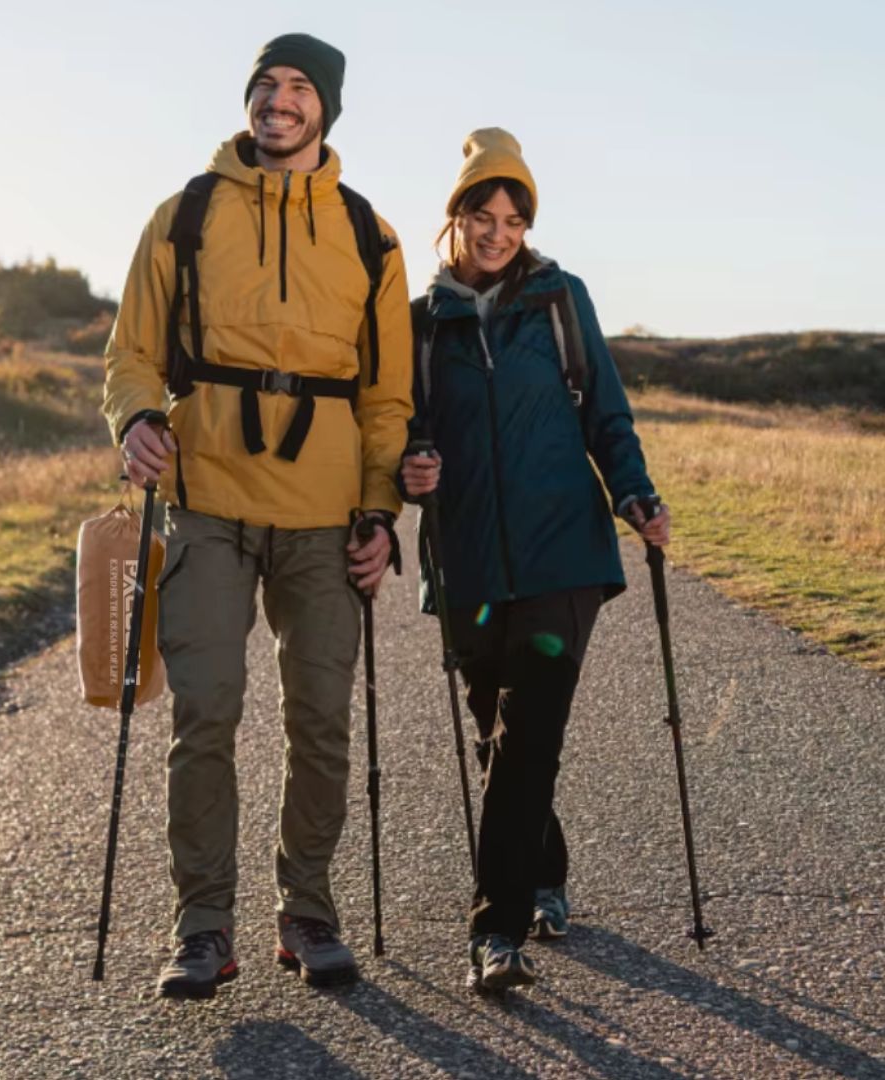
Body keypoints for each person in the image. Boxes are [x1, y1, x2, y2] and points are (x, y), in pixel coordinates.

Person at [103, 33, 412, 1000]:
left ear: (326, 110)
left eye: (299, 88)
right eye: (266, 85)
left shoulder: (371, 235)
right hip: (205, 502)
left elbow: (387, 397)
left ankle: (309, 913)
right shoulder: (183, 216)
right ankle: (202, 928)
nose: (279, 101)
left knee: (319, 720)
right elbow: (131, 355)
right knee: (207, 714)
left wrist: (379, 508)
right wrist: (137, 420)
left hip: (325, 515)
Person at [400, 128, 671, 993]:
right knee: (499, 738)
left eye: (513, 217)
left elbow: (607, 414)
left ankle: (496, 933)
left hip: (562, 560)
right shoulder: (417, 323)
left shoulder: (561, 301)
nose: (498, 231)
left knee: (528, 742)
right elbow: (401, 435)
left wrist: (635, 495)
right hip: (471, 566)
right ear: (457, 219)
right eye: (483, 213)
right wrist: (410, 470)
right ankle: (544, 871)